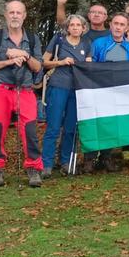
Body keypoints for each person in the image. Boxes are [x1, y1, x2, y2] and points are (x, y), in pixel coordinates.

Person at [0, 0, 44, 188]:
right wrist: (7, 61)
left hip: (24, 89)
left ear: (24, 16)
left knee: (30, 131)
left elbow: (38, 67)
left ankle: (33, 168)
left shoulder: (32, 39)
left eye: (19, 12)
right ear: (5, 15)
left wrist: (23, 54)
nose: (15, 15)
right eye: (11, 12)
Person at [85, 13, 129, 172]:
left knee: (111, 124)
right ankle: (90, 158)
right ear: (110, 25)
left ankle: (106, 157)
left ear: (126, 28)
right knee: (97, 123)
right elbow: (91, 66)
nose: (118, 27)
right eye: (116, 23)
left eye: (122, 25)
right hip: (100, 90)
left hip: (121, 92)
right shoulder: (98, 43)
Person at [41, 14, 93, 177]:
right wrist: (61, 62)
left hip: (77, 90)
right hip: (58, 86)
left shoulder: (86, 43)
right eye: (73, 25)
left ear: (83, 28)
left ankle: (66, 162)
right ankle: (46, 164)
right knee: (53, 127)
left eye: (79, 25)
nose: (76, 28)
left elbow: (89, 64)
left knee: (71, 128)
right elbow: (44, 61)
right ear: (68, 27)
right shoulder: (59, 40)